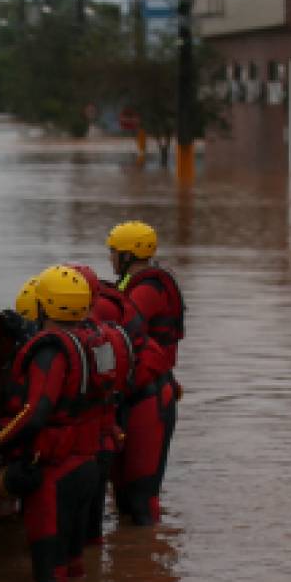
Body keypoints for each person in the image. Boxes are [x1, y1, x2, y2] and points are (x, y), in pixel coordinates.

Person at [0, 266, 122, 582]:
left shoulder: (51, 350)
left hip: (55, 472)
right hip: (89, 465)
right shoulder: (98, 340)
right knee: (76, 568)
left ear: (43, 306)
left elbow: (35, 413)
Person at [107, 221, 185, 526]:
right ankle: (133, 559)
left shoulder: (147, 290)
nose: (110, 259)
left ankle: (149, 559)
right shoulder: (135, 285)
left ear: (127, 255)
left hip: (150, 396)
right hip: (139, 390)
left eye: (113, 253)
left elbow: (122, 329)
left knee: (141, 494)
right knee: (123, 492)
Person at [66, 262, 146, 544]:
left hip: (84, 445)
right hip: (104, 437)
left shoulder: (79, 340)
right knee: (92, 532)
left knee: (72, 535)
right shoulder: (106, 337)